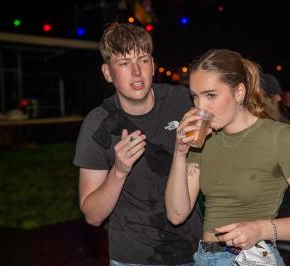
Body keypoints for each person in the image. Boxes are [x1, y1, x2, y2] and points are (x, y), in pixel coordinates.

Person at [165, 49, 290, 265]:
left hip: (250, 258)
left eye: (211, 95)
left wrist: (261, 229)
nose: (200, 107)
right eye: (195, 97)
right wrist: (180, 152)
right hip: (204, 257)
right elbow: (176, 214)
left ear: (239, 92)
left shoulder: (279, 137)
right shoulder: (203, 139)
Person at [73, 23, 202, 266]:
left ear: (153, 65)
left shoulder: (183, 102)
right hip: (133, 257)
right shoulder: (98, 124)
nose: (136, 72)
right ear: (107, 73)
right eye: (123, 63)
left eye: (142, 60)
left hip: (193, 252)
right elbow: (92, 216)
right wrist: (119, 171)